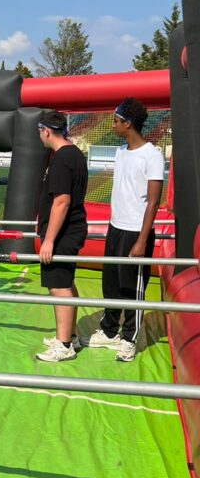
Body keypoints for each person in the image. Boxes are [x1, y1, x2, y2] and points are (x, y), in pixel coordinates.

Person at [84, 98, 165, 363]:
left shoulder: (152, 155)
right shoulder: (120, 152)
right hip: (115, 227)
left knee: (133, 288)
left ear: (128, 124)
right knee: (112, 284)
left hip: (136, 233)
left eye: (116, 121)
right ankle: (109, 333)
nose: (113, 124)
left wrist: (142, 240)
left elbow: (153, 202)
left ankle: (129, 339)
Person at [34, 111, 89, 362]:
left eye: (39, 131)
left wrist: (49, 240)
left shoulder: (61, 159)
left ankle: (64, 345)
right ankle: (69, 335)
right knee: (66, 282)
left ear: (46, 131)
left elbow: (62, 202)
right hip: (70, 229)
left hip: (64, 232)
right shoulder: (74, 153)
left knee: (59, 286)